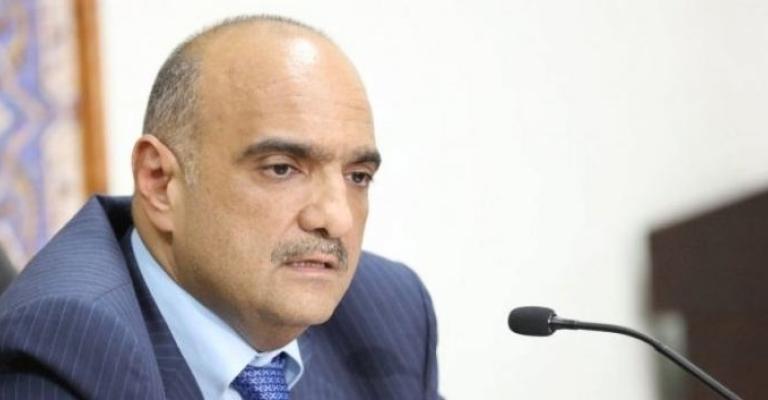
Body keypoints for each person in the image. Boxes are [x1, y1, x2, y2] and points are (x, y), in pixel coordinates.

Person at [0, 16, 439, 400]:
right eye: (282, 169)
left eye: (357, 176)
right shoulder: (63, 346)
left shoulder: (389, 313)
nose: (336, 219)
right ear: (159, 181)